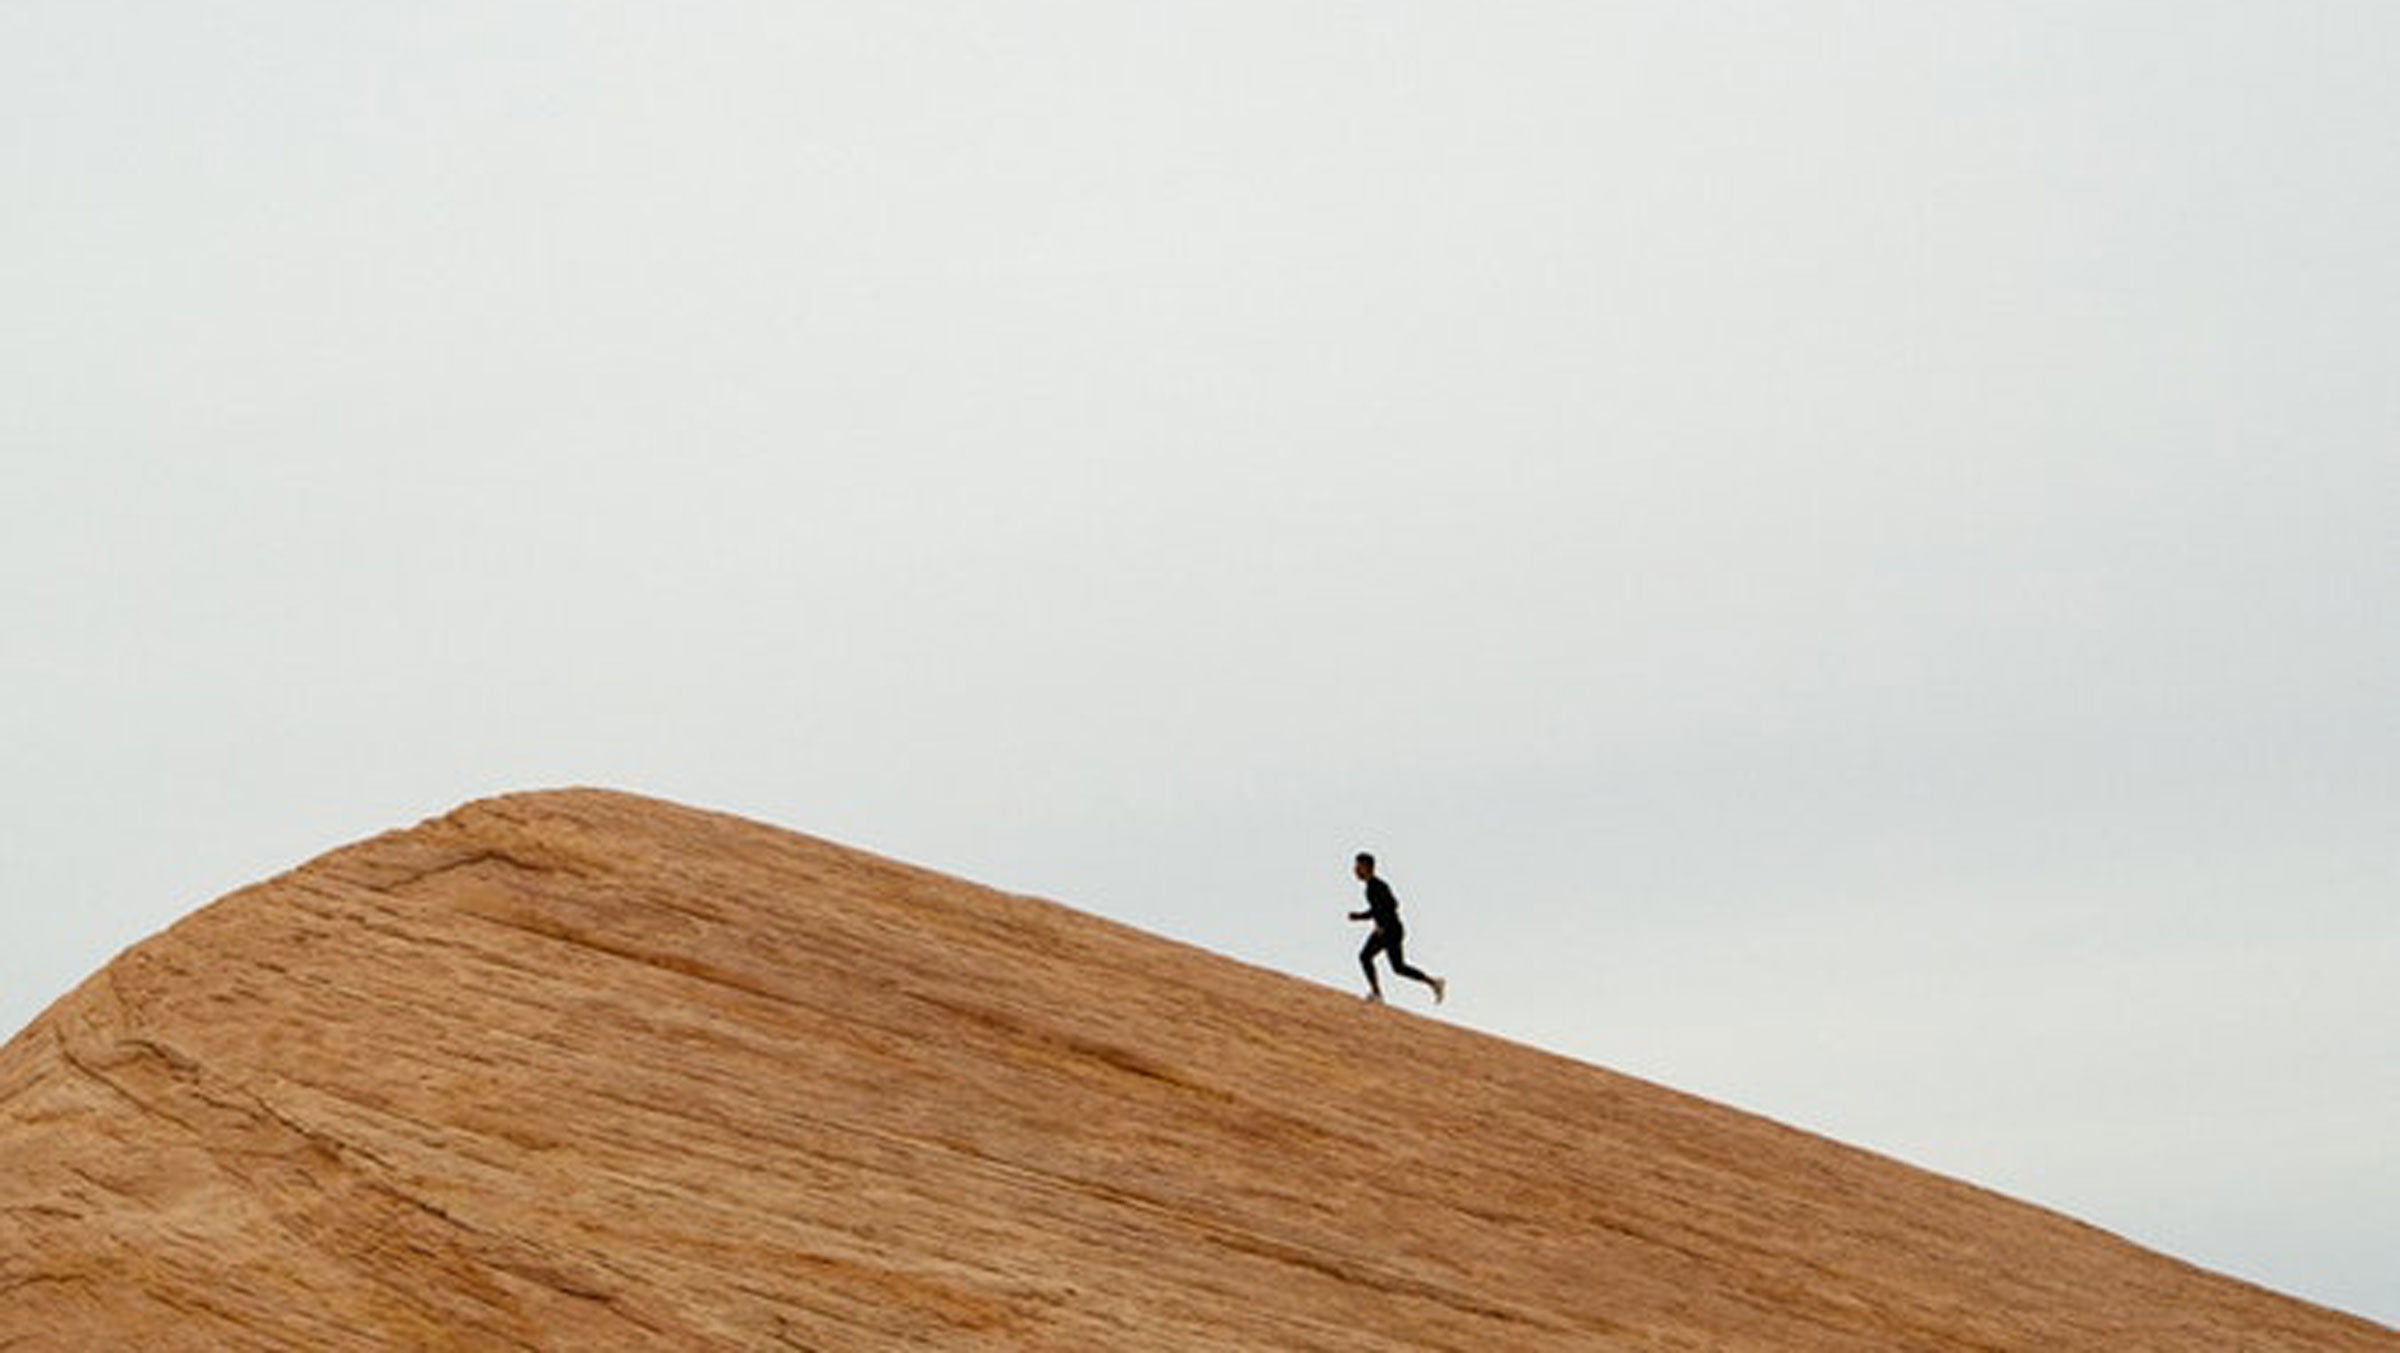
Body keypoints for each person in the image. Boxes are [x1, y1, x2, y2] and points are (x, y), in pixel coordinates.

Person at [1349, 852, 1445, 1005]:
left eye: (1358, 866)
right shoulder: (1371, 887)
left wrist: (1381, 925)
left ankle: (1376, 994)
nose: (1355, 870)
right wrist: (1363, 917)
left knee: (1365, 957)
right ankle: (1434, 982)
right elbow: (1379, 908)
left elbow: (1391, 905)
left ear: (1367, 867)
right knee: (1398, 967)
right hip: (1391, 929)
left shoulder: (1377, 886)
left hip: (1391, 930)